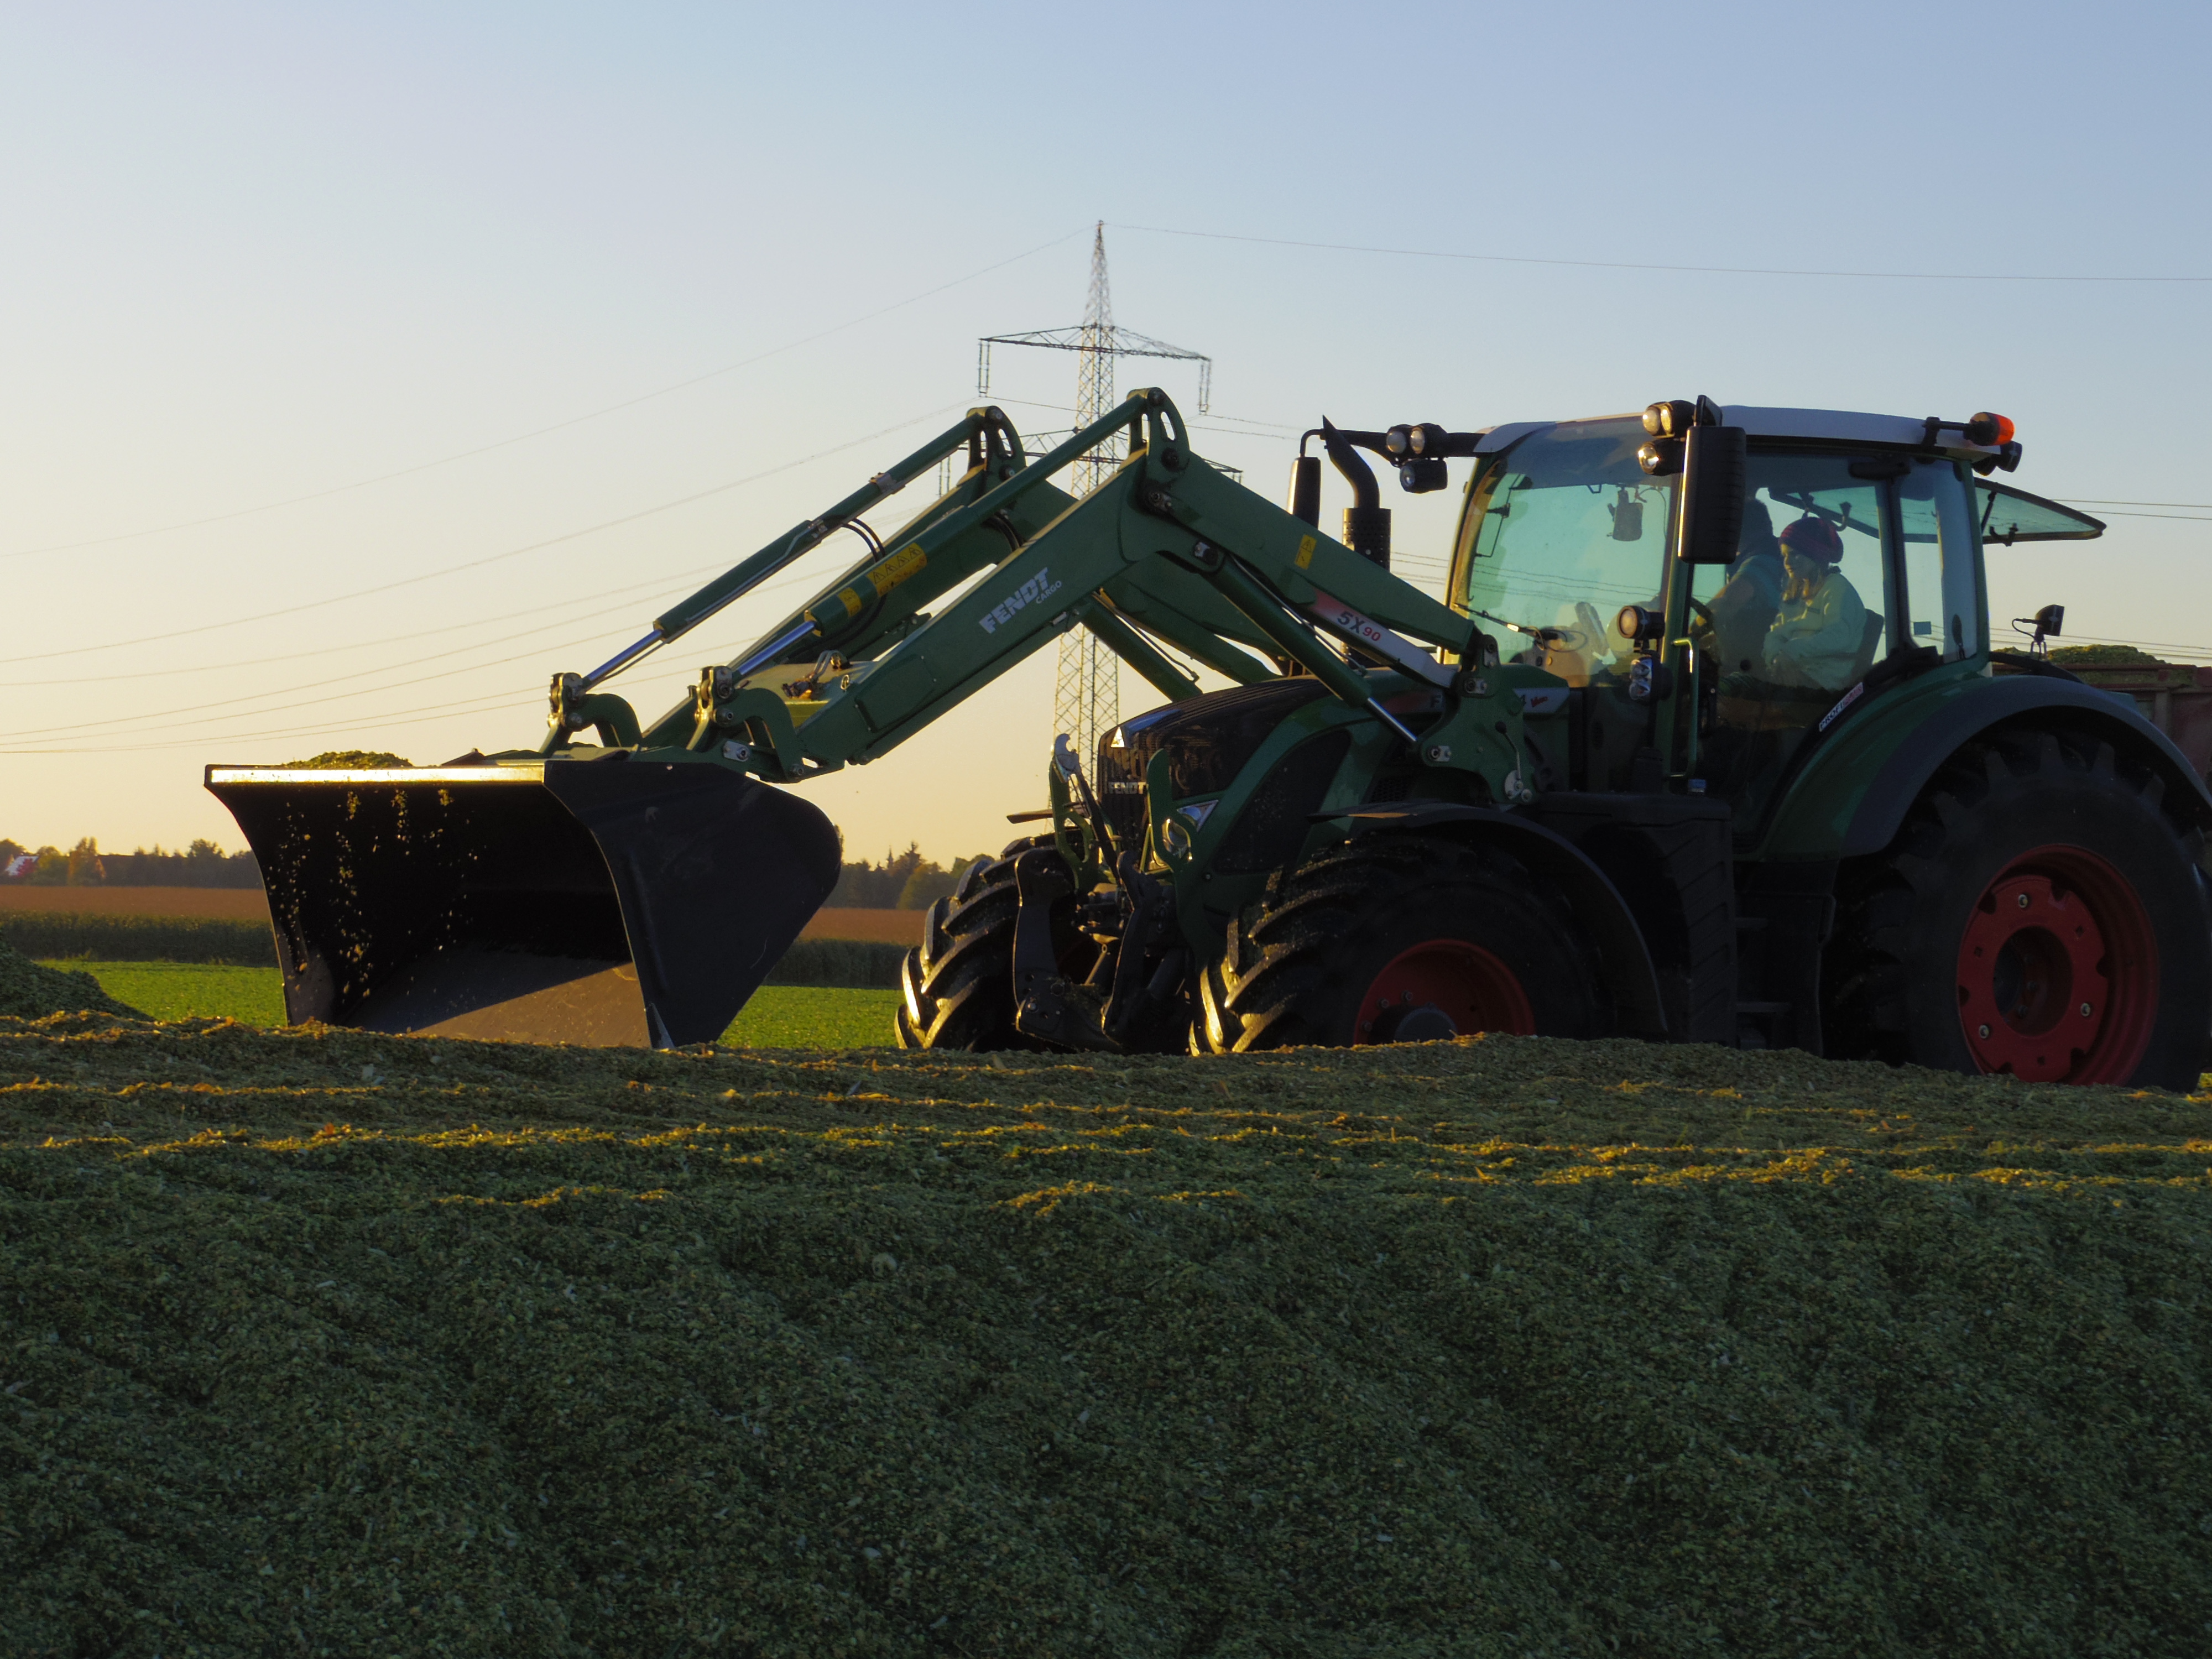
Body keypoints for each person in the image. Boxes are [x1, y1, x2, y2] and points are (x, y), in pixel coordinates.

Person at [1761, 516, 1865, 691]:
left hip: (1821, 684)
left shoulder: (1837, 588)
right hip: (1787, 672)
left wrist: (1791, 653)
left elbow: (1837, 637)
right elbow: (1775, 634)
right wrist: (1777, 660)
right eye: (1784, 555)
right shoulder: (1792, 593)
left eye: (1795, 554)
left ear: (1815, 554)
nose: (1787, 562)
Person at [1705, 500, 1786, 671]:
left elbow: (1726, 604)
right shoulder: (1777, 556)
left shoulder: (1762, 561)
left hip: (1761, 672)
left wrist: (1684, 635)